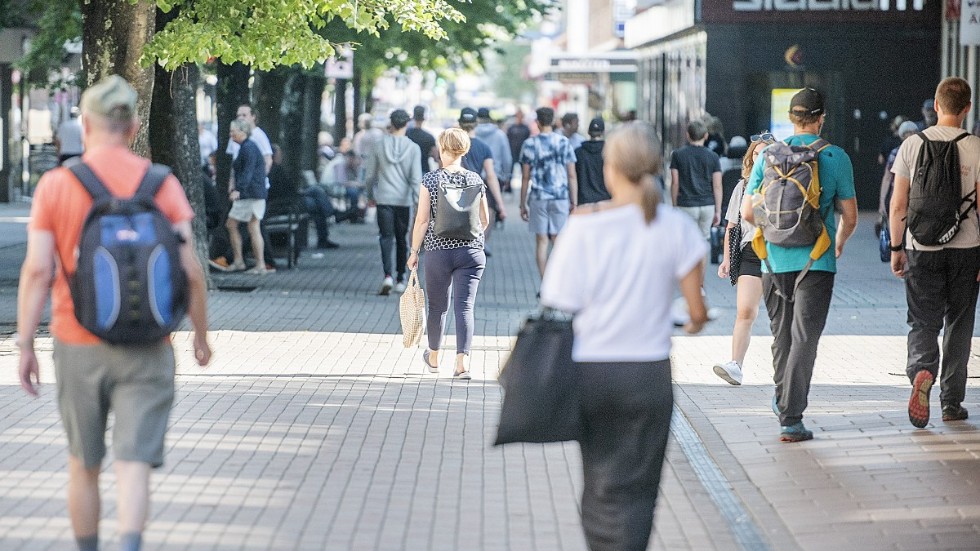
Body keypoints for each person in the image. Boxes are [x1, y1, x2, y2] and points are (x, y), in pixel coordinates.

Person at [16, 75, 211, 551]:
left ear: (86, 124)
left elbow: (38, 271)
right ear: (134, 125)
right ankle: (129, 544)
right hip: (149, 343)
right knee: (133, 462)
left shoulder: (58, 185)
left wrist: (25, 344)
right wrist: (201, 335)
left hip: (76, 340)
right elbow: (191, 270)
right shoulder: (161, 184)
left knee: (84, 463)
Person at [540, 122, 708, 551]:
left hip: (592, 370)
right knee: (640, 485)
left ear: (610, 168)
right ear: (654, 166)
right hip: (648, 374)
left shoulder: (583, 226)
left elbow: (559, 296)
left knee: (599, 479)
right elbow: (696, 312)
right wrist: (688, 323)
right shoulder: (676, 227)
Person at [742, 87, 858, 442]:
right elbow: (850, 216)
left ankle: (783, 400)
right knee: (805, 337)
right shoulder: (835, 156)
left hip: (771, 261)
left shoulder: (769, 156)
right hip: (816, 261)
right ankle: (791, 416)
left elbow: (748, 212)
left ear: (792, 118)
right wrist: (836, 243)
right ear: (821, 118)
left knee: (781, 335)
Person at [889, 77, 980, 428]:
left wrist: (898, 247)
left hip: (920, 246)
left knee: (922, 319)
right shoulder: (975, 146)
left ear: (937, 107)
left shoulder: (912, 145)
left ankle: (922, 370)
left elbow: (899, 203)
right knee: (959, 322)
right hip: (966, 248)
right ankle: (951, 402)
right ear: (967, 108)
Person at [407, 127, 490, 380]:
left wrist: (414, 252)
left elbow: (422, 221)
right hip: (471, 252)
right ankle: (461, 364)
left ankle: (433, 359)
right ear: (464, 150)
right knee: (465, 308)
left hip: (438, 250)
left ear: (442, 150)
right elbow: (484, 219)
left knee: (438, 307)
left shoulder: (431, 180)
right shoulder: (476, 179)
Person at [713, 133, 776, 385]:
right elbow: (731, 226)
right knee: (745, 311)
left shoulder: (782, 184)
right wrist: (727, 259)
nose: (761, 158)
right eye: (757, 153)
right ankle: (735, 365)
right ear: (751, 157)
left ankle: (785, 368)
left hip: (777, 252)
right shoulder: (743, 186)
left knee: (779, 315)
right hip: (750, 251)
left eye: (766, 154)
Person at [364, 109, 422, 295]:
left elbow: (370, 175)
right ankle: (400, 278)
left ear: (391, 123)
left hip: (384, 198)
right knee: (401, 239)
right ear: (406, 124)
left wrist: (369, 195)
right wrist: (418, 201)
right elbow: (415, 178)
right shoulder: (413, 148)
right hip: (403, 201)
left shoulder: (378, 145)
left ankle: (387, 275)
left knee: (385, 237)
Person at [520, 107, 577, 280]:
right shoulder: (564, 143)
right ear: (553, 121)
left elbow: (525, 177)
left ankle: (545, 283)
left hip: (538, 197)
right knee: (558, 241)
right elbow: (572, 175)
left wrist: (522, 203)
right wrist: (574, 201)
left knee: (542, 241)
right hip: (560, 196)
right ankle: (558, 282)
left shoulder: (529, 144)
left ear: (537, 122)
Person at [268, 144, 339, 249]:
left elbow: (288, 188)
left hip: (291, 198)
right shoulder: (275, 170)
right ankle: (333, 216)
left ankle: (332, 214)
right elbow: (284, 191)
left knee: (316, 190)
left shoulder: (276, 169)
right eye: (279, 154)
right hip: (287, 203)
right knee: (316, 205)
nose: (281, 157)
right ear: (274, 156)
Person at [459, 108, 507, 254]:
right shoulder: (484, 147)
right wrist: (500, 205)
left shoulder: (450, 145)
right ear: (476, 124)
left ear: (460, 123)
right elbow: (491, 177)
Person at [226, 119, 270, 274]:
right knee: (251, 227)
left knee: (236, 225)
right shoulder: (247, 147)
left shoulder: (248, 148)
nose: (231, 134)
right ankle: (256, 264)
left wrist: (239, 190)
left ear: (242, 132)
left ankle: (251, 263)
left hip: (250, 195)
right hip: (254, 193)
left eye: (233, 131)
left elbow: (248, 172)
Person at [670, 119, 722, 242]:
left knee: (686, 241)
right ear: (706, 135)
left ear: (688, 135)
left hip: (686, 204)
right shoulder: (713, 157)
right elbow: (717, 185)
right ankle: (704, 262)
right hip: (707, 205)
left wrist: (674, 205)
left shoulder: (677, 155)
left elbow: (675, 183)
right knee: (704, 240)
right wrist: (718, 211)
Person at [879, 121, 919, 220]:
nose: (912, 135)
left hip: (916, 199)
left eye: (914, 132)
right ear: (903, 136)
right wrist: (882, 201)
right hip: (899, 197)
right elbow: (887, 177)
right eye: (909, 133)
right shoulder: (895, 153)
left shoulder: (922, 152)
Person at [475, 107, 514, 196]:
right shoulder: (500, 135)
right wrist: (507, 176)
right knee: (493, 208)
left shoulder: (471, 135)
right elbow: (507, 158)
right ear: (489, 118)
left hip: (474, 178)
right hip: (496, 176)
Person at [574, 116, 609, 206]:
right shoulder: (609, 152)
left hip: (584, 201)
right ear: (603, 132)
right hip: (605, 200)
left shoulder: (578, 152)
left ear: (589, 132)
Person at [406, 105, 438, 175]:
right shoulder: (429, 137)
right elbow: (436, 158)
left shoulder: (406, 134)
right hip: (423, 171)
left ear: (413, 117)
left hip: (408, 172)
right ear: (424, 119)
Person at [505, 110, 532, 193]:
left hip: (522, 152)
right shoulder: (511, 127)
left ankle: (524, 187)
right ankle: (508, 186)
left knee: (524, 171)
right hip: (512, 151)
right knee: (510, 170)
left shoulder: (525, 128)